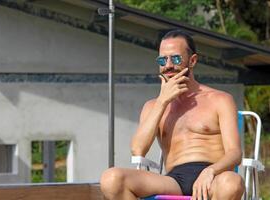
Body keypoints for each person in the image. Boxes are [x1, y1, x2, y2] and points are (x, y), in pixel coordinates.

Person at [100, 29, 245, 200]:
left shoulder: (220, 99)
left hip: (213, 178)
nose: (168, 65)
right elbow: (138, 150)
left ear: (192, 60)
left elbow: (235, 153)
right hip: (173, 181)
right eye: (163, 60)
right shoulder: (153, 106)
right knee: (111, 179)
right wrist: (163, 101)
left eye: (175, 58)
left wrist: (210, 171)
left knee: (232, 183)